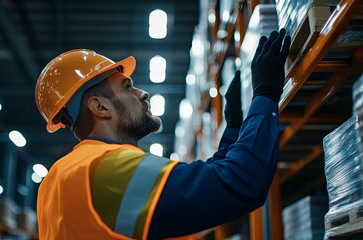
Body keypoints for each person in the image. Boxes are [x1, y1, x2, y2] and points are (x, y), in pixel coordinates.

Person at [35, 29, 291, 240]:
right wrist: (265, 95)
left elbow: (206, 183)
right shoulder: (107, 168)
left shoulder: (60, 178)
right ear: (100, 107)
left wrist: (234, 125)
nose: (142, 94)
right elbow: (240, 183)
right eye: (128, 88)